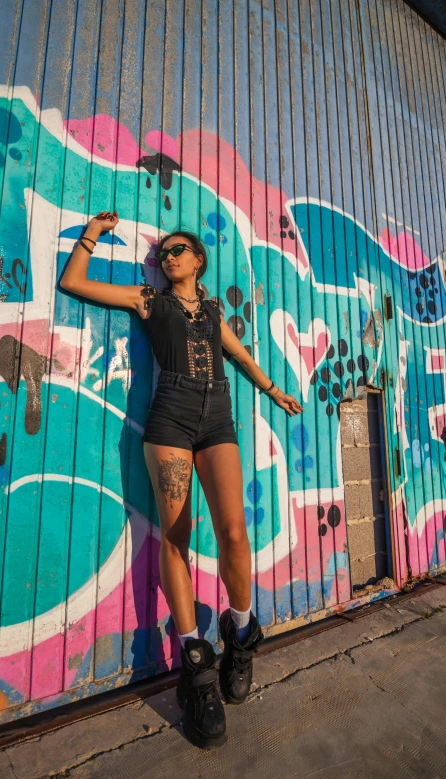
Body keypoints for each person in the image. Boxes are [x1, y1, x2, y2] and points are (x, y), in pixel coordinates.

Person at [60, 210, 304, 749]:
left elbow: (237, 355)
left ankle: (240, 632)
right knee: (178, 540)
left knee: (234, 535)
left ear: (199, 260)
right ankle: (195, 665)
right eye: (162, 253)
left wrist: (271, 390)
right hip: (169, 414)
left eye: (178, 251)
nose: (167, 258)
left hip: (217, 416)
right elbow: (73, 282)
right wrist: (93, 235)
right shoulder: (148, 299)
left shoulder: (213, 310)